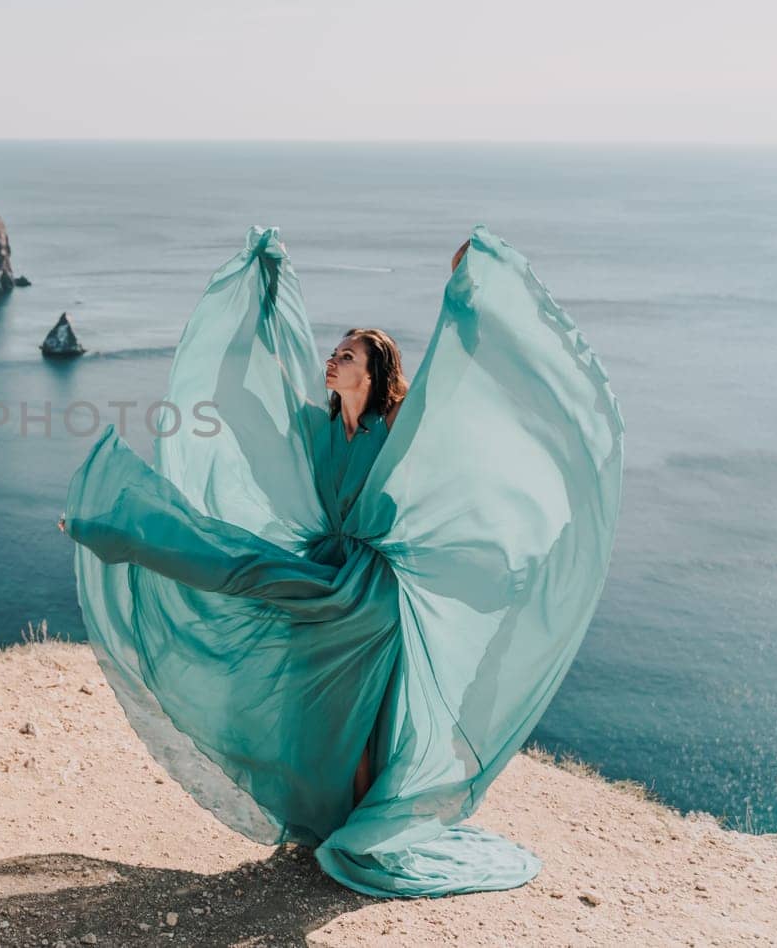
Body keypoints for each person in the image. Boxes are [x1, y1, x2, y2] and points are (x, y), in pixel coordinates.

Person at [57, 226, 624, 898]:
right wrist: (265, 294)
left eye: (346, 354)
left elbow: (459, 381)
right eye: (332, 352)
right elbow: (249, 398)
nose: (332, 361)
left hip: (371, 594)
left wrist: (467, 288)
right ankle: (112, 525)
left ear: (375, 370)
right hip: (325, 573)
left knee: (351, 712)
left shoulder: (398, 432)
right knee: (266, 623)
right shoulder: (317, 428)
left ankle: (360, 837)